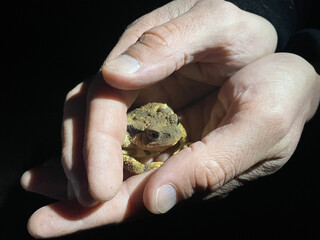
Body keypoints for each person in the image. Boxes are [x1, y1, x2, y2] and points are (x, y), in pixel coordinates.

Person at [20, 0, 320, 238]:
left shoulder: (169, 126)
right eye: (155, 137)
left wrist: (311, 65)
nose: (170, 135)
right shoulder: (130, 135)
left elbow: (166, 117)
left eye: (173, 128)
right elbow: (123, 150)